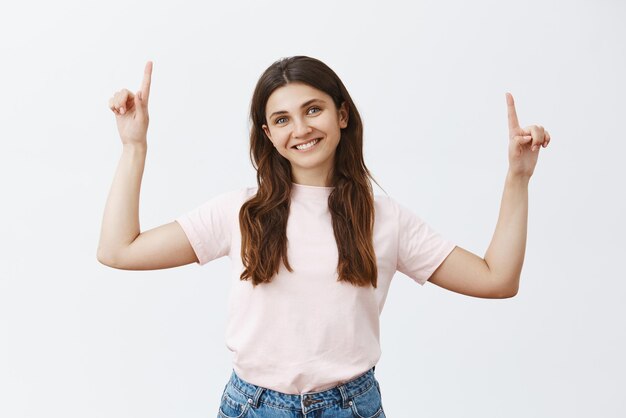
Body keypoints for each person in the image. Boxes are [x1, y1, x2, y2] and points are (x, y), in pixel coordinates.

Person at [98, 56, 550, 417]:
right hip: (253, 407)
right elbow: (119, 250)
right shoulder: (239, 212)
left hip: (350, 408)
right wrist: (134, 147)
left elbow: (497, 280)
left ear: (343, 114)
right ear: (268, 135)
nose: (301, 129)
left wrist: (518, 178)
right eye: (281, 119)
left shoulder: (385, 219)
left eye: (312, 109)